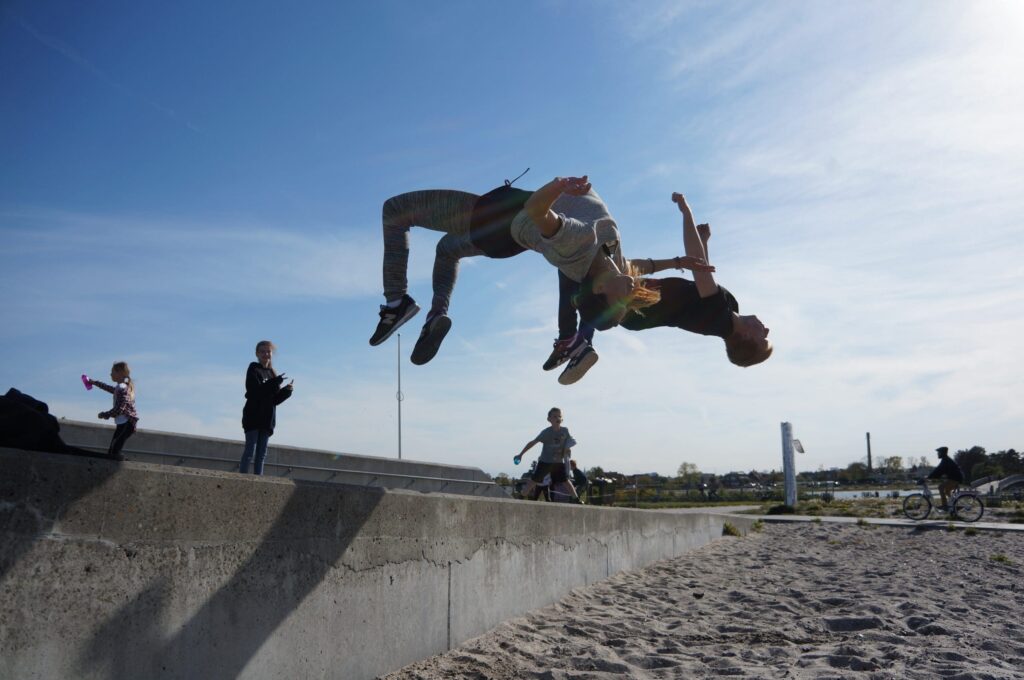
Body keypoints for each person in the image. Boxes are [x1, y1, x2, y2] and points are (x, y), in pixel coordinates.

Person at [368, 175, 713, 365]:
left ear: (599, 289)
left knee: (396, 211)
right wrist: (679, 262)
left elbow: (537, 210)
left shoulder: (579, 243)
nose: (631, 287)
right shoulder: (612, 266)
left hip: (498, 219)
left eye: (621, 297)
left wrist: (560, 186)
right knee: (446, 250)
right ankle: (435, 314)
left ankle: (395, 302)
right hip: (504, 241)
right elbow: (639, 267)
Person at [545, 192, 772, 383]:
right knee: (584, 273)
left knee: (583, 271)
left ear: (746, 338)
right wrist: (704, 243)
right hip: (638, 300)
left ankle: (573, 341)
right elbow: (703, 274)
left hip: (637, 308)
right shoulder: (728, 308)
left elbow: (697, 266)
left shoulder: (720, 318)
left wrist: (686, 212)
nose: (767, 331)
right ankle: (578, 343)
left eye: (763, 339)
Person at [239, 340, 294, 475]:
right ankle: (241, 480)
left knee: (262, 454)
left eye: (268, 351)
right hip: (253, 417)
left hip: (267, 419)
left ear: (272, 354)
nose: (265, 354)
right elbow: (254, 391)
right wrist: (275, 382)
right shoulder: (253, 368)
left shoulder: (272, 373)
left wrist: (287, 391)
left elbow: (274, 399)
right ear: (257, 353)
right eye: (262, 351)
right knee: (249, 451)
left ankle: (258, 482)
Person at [513, 407, 578, 502]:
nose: (557, 418)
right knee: (534, 481)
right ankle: (522, 496)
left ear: (562, 419)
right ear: (549, 419)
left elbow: (570, 441)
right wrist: (521, 454)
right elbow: (533, 442)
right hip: (545, 461)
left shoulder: (565, 431)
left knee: (565, 480)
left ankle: (576, 498)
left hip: (558, 462)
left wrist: (567, 450)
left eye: (559, 416)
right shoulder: (546, 432)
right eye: (555, 416)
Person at [87, 361, 139, 461]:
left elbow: (120, 408)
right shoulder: (121, 388)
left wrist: (105, 414)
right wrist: (94, 383)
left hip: (126, 423)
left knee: (113, 452)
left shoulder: (123, 388)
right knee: (113, 451)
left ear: (119, 373)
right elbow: (109, 388)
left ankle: (126, 465)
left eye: (112, 372)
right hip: (124, 424)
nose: (110, 374)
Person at [928, 446, 965, 510]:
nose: (938, 454)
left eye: (939, 452)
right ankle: (954, 504)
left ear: (942, 453)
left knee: (940, 487)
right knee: (947, 491)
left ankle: (944, 505)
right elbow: (939, 471)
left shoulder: (945, 460)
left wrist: (929, 477)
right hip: (956, 478)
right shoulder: (946, 459)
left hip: (955, 479)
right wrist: (931, 477)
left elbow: (938, 470)